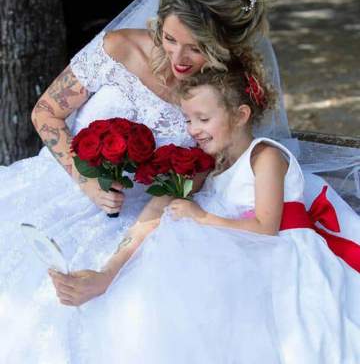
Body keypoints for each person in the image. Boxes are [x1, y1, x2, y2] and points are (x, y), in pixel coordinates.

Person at [0, 0, 359, 362]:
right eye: (169, 39)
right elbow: (46, 112)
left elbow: (179, 189)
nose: (178, 59)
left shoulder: (219, 101)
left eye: (197, 48)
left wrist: (109, 270)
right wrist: (84, 180)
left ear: (225, 43)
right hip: (61, 187)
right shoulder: (117, 48)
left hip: (147, 211)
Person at [63, 62, 360, 363]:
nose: (193, 130)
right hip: (246, 254)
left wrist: (201, 217)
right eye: (188, 119)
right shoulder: (215, 168)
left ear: (241, 115)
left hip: (283, 259)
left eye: (202, 118)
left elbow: (266, 228)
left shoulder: (265, 156)